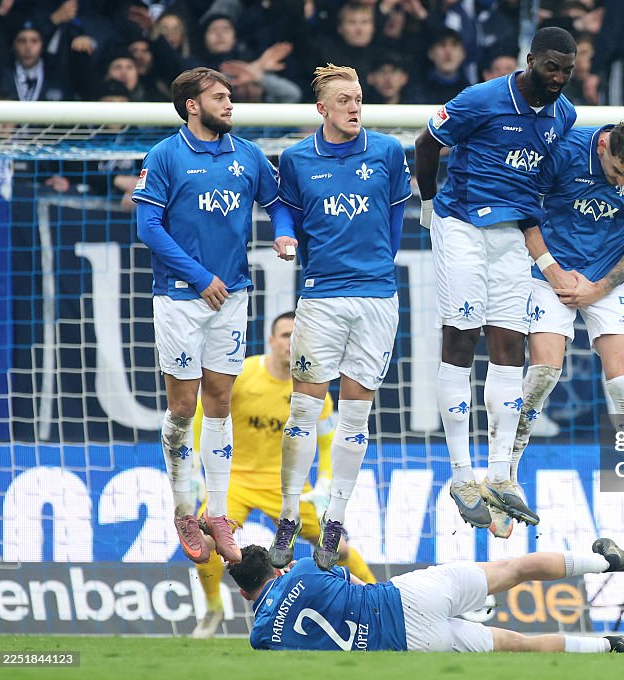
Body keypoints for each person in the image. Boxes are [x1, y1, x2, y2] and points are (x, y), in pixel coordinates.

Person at [413, 27, 577, 532]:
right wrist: (426, 203)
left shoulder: (564, 116)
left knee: (510, 347)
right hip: (462, 224)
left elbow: (539, 183)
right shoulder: (481, 99)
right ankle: (461, 474)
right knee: (460, 340)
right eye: (551, 66)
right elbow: (426, 143)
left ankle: (501, 473)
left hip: (511, 239)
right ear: (530, 60)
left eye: (567, 70)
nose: (558, 78)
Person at [132, 67, 293, 565]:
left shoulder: (246, 154)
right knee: (183, 408)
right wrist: (199, 276)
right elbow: (148, 226)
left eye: (231, 96)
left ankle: (216, 514)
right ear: (192, 105)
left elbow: (279, 202)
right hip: (181, 298)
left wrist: (283, 232)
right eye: (220, 97)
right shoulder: (164, 156)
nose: (230, 104)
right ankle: (184, 509)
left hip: (233, 297)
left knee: (220, 399)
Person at [271, 63, 411, 572]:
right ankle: (288, 515)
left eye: (359, 98)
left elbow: (395, 221)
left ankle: (335, 519)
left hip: (376, 297)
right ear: (322, 108)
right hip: (322, 295)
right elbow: (284, 208)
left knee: (355, 414)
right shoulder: (296, 158)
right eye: (345, 99)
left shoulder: (388, 153)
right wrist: (285, 234)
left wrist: (375, 266)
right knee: (305, 409)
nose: (355, 107)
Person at [510, 116, 624, 541]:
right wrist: (555, 272)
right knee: (544, 374)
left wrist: (599, 287)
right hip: (551, 271)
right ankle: (506, 472)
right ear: (603, 148)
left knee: (623, 384)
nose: (621, 184)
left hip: (606, 278)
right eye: (616, 172)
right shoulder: (562, 149)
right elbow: (526, 215)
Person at [190, 311, 376, 639]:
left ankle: (377, 599)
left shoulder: (314, 389)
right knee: (204, 542)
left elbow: (329, 438)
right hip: (238, 481)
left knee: (339, 549)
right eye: (285, 335)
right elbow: (204, 412)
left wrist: (326, 482)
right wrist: (194, 460)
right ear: (272, 341)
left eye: (296, 336)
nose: (290, 343)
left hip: (287, 488)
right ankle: (214, 608)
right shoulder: (245, 374)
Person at [230, 539, 624, 653]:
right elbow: (353, 584)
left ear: (247, 594)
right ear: (277, 567)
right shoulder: (302, 568)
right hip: (406, 599)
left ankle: (607, 647)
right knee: (512, 570)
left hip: (408, 645)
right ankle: (607, 564)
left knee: (518, 644)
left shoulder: (261, 637)